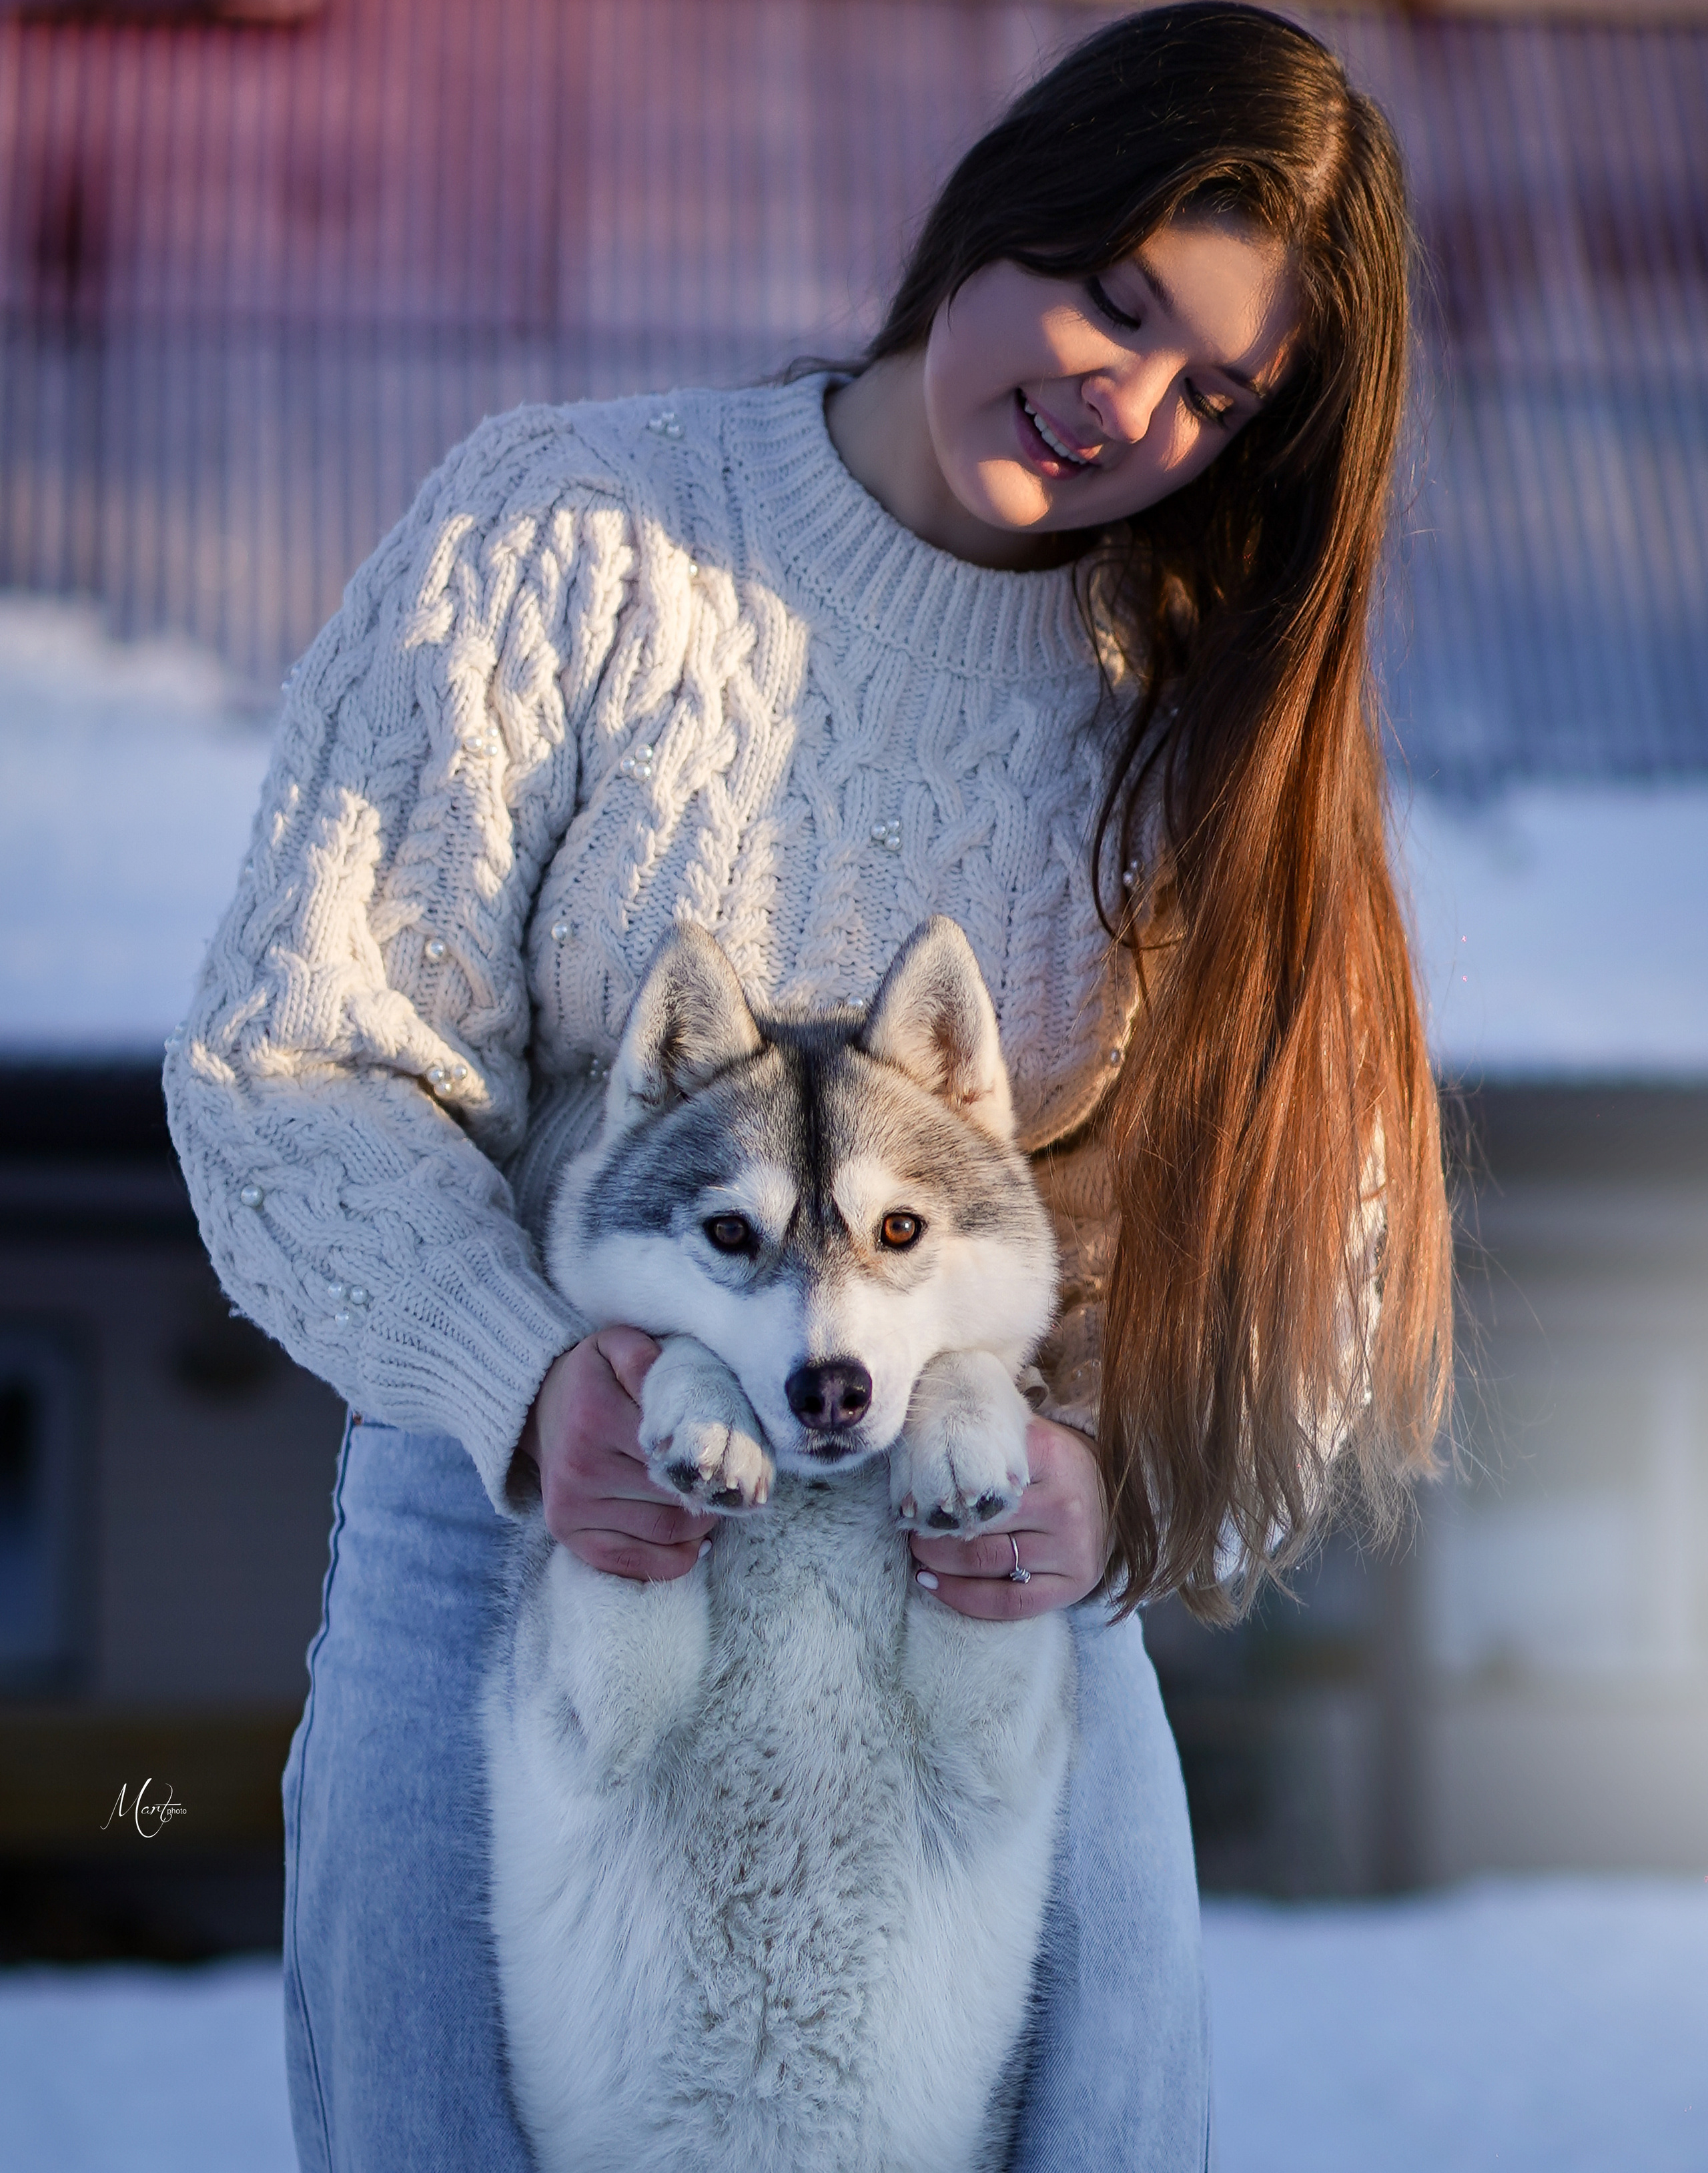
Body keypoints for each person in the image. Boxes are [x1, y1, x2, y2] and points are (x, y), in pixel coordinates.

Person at [164, 6, 1451, 2168]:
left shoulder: (1198, 710)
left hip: (971, 1576)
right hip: (535, 1515)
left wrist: (1111, 1486)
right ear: (998, 210)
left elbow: (1314, 1233)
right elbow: (293, 1058)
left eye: (1216, 388)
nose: (1122, 399)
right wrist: (526, 1381)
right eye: (1111, 295)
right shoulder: (573, 536)